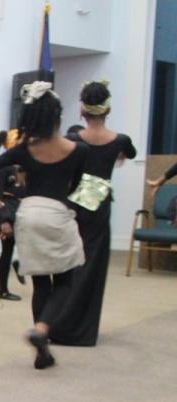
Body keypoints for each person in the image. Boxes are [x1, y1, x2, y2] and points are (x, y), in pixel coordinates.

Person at [0, 82, 88, 370]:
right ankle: (42, 330)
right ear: (57, 117)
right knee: (64, 282)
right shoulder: (77, 150)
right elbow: (74, 188)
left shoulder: (24, 150)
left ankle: (42, 353)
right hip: (56, 214)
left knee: (40, 284)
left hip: (28, 214)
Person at [49, 82, 136, 346]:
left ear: (83, 110)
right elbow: (128, 154)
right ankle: (82, 330)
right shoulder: (120, 140)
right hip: (99, 206)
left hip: (74, 205)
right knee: (92, 266)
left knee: (69, 263)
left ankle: (59, 324)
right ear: (107, 108)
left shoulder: (74, 139)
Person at [0, 130, 26, 301]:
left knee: (24, 246)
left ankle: (19, 262)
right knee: (7, 251)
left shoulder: (22, 165)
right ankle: (3, 289)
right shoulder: (2, 166)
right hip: (7, 213)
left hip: (22, 211)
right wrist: (3, 220)